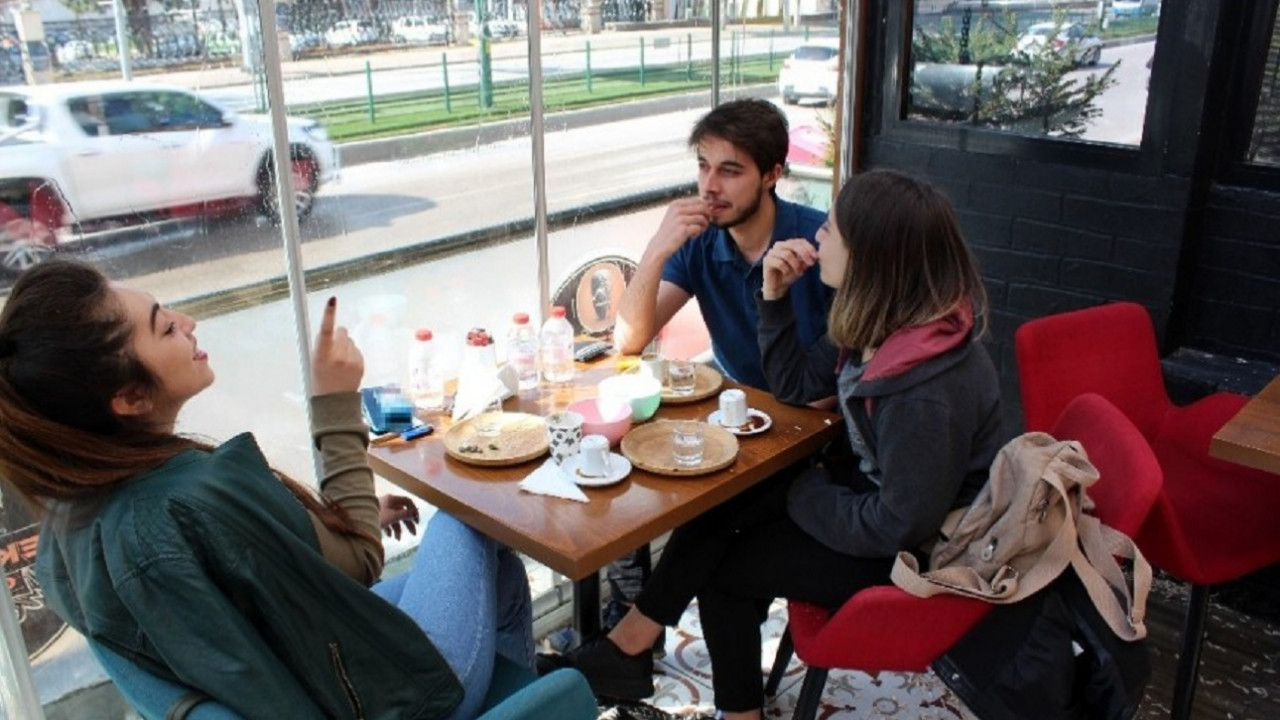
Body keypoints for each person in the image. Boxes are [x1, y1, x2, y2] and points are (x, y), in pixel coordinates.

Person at [545, 169, 1006, 719]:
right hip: (876, 500)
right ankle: (629, 647)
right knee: (726, 498)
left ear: (872, 256)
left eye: (832, 231)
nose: (818, 240)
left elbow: (897, 526)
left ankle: (692, 686)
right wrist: (775, 296)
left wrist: (800, 492)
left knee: (728, 572)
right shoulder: (884, 323)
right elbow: (794, 386)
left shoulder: (927, 387)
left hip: (919, 559)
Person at [2, 260, 533, 720]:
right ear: (130, 396)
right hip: (390, 699)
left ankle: (528, 701)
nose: (189, 324)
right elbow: (359, 562)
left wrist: (344, 517)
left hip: (303, 673)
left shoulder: (73, 520)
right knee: (467, 513)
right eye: (165, 328)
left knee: (500, 574)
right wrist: (334, 402)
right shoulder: (193, 497)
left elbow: (238, 583)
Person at [605, 98, 835, 635]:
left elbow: (840, 379)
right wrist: (658, 248)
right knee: (627, 466)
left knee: (715, 522)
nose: (710, 186)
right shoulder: (702, 242)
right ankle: (631, 636)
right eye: (703, 167)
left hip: (811, 432)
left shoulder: (818, 242)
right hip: (736, 422)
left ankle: (632, 639)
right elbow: (628, 340)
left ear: (773, 174)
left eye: (730, 171)